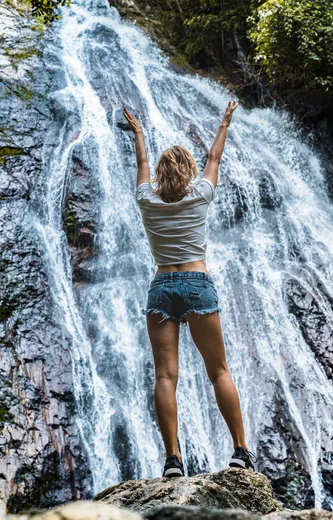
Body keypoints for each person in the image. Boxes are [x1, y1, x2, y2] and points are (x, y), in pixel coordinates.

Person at [123, 102, 256, 478]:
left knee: (165, 377)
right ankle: (241, 452)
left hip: (161, 288)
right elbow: (215, 155)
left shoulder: (146, 199)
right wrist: (224, 122)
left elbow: (141, 167)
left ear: (161, 176)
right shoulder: (200, 194)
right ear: (188, 172)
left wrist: (139, 134)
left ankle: (172, 461)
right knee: (219, 371)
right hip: (198, 285)